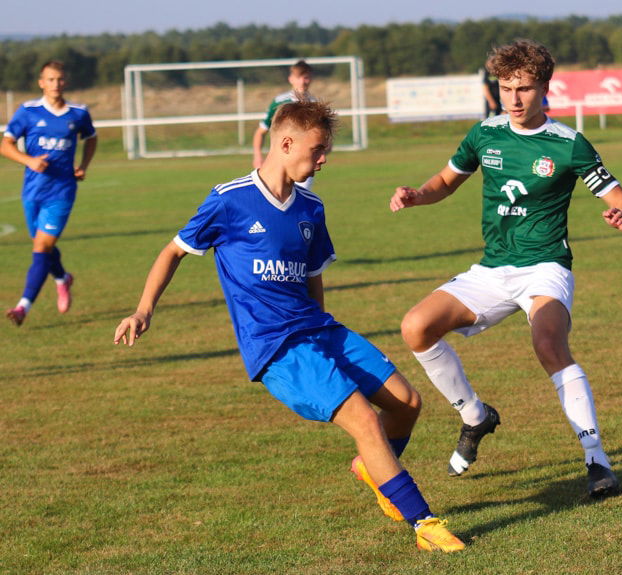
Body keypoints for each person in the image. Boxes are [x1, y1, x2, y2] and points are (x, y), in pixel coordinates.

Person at [113, 101, 464, 553]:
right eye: (317, 150)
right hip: (276, 346)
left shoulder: (311, 208)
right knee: (364, 420)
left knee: (407, 403)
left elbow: (313, 277)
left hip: (319, 330)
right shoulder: (229, 200)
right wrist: (144, 310)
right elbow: (174, 251)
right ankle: (423, 523)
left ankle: (372, 468)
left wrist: (326, 337)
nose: (324, 159)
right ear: (285, 144)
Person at [390, 40, 622, 498]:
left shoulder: (569, 144)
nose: (514, 99)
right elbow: (446, 181)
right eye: (506, 88)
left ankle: (596, 459)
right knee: (416, 327)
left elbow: (621, 199)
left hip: (545, 267)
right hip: (492, 269)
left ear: (545, 88)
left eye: (524, 89)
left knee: (548, 343)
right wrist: (417, 194)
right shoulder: (484, 135)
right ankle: (474, 416)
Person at [3, 60, 97, 326]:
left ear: (65, 81)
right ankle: (63, 278)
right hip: (32, 191)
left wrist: (83, 165)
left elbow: (91, 138)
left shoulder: (78, 113)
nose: (56, 84)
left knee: (41, 247)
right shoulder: (28, 111)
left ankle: (23, 306)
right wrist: (29, 160)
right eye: (51, 79)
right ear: (41, 82)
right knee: (43, 246)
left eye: (60, 79)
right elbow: (5, 145)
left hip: (62, 191)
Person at [252, 60, 315, 190]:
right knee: (276, 195)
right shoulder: (280, 102)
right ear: (291, 79)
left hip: (304, 161)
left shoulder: (315, 104)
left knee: (300, 196)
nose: (302, 82)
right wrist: (258, 156)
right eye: (298, 77)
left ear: (310, 79)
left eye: (306, 77)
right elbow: (261, 131)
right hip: (280, 160)